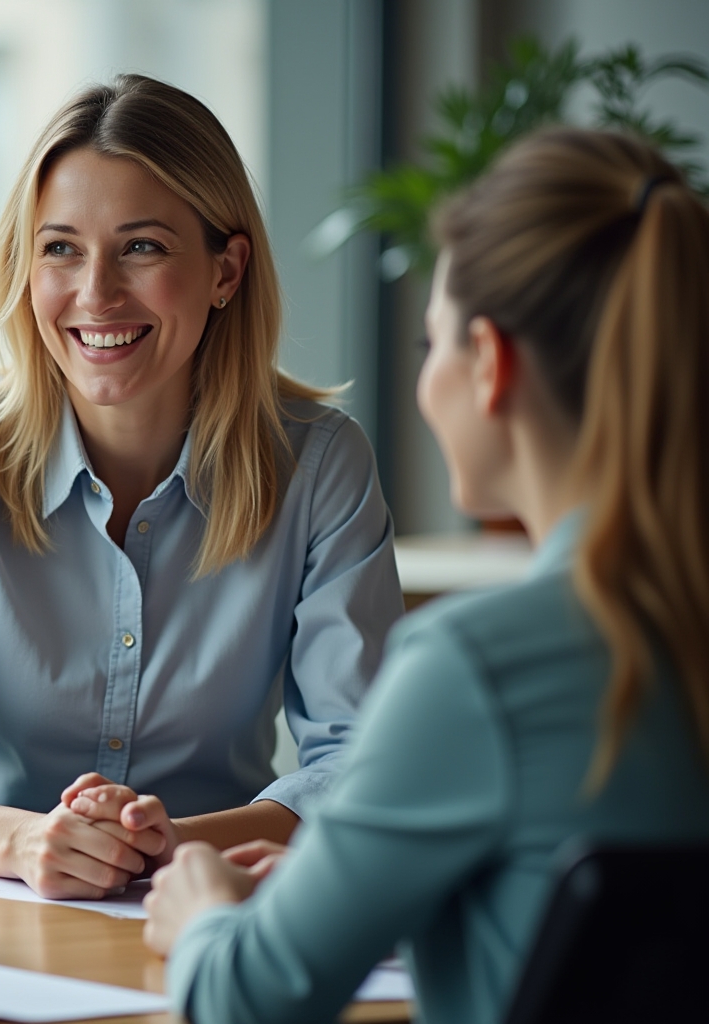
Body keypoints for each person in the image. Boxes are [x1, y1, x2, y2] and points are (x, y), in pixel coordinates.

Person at [134, 127, 709, 1023]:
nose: (423, 380)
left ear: (490, 366)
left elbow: (243, 1002)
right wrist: (365, 891)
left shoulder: (479, 669)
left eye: (429, 345)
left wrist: (202, 908)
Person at [0, 74, 403, 898]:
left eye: (142, 247)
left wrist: (172, 848)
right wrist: (27, 844)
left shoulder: (319, 464)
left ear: (226, 271)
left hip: (207, 911)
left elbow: (364, 764)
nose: (96, 294)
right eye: (60, 248)